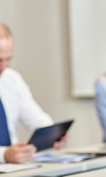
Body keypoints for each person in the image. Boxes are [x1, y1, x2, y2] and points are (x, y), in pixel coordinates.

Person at [0, 23, 67, 164]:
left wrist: (54, 135)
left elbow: (37, 120)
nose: (3, 66)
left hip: (13, 169)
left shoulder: (13, 80)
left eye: (8, 59)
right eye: (0, 60)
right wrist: (4, 155)